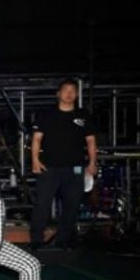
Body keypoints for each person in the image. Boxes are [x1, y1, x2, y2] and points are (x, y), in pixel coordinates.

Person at [31, 79, 97, 250]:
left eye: (72, 91)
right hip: (49, 167)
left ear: (77, 94)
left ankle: (63, 240)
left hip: (75, 167)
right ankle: (36, 240)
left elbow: (91, 141)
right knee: (42, 203)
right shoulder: (47, 114)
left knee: (72, 205)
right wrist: (35, 160)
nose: (69, 94)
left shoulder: (83, 115)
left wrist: (92, 163)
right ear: (58, 94)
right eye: (66, 90)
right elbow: (37, 139)